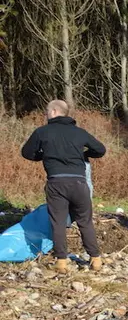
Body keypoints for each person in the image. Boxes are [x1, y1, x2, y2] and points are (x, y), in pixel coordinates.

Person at [21, 99, 105, 275]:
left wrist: (44, 156)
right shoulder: (79, 132)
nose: (46, 115)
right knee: (85, 221)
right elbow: (100, 150)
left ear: (53, 112)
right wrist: (84, 154)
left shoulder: (42, 132)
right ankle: (95, 259)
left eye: (46, 112)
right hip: (79, 183)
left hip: (56, 183)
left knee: (58, 222)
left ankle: (61, 262)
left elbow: (27, 153)